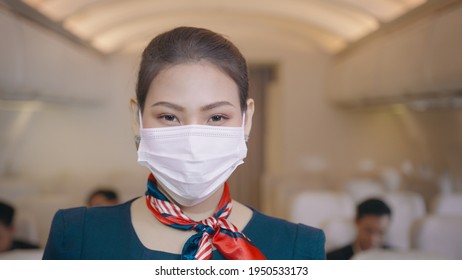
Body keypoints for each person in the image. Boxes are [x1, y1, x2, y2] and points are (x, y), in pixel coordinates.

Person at [43, 26, 325, 260]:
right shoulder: (77, 236)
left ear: (246, 119)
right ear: (137, 119)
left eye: (216, 117)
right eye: (169, 116)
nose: (192, 143)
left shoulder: (298, 248)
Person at [327, 198, 392, 260]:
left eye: (381, 232)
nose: (373, 239)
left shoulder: (396, 258)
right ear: (356, 221)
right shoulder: (332, 258)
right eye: (368, 230)